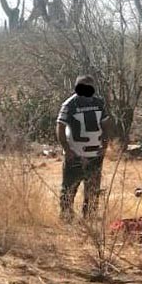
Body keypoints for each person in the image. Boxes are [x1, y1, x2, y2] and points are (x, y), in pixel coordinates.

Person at [57, 75, 112, 220]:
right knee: (70, 188)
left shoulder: (99, 103)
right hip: (76, 154)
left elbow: (106, 125)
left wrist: (105, 144)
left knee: (93, 189)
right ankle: (67, 216)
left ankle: (90, 217)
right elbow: (60, 127)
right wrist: (67, 150)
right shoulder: (69, 104)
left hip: (95, 154)